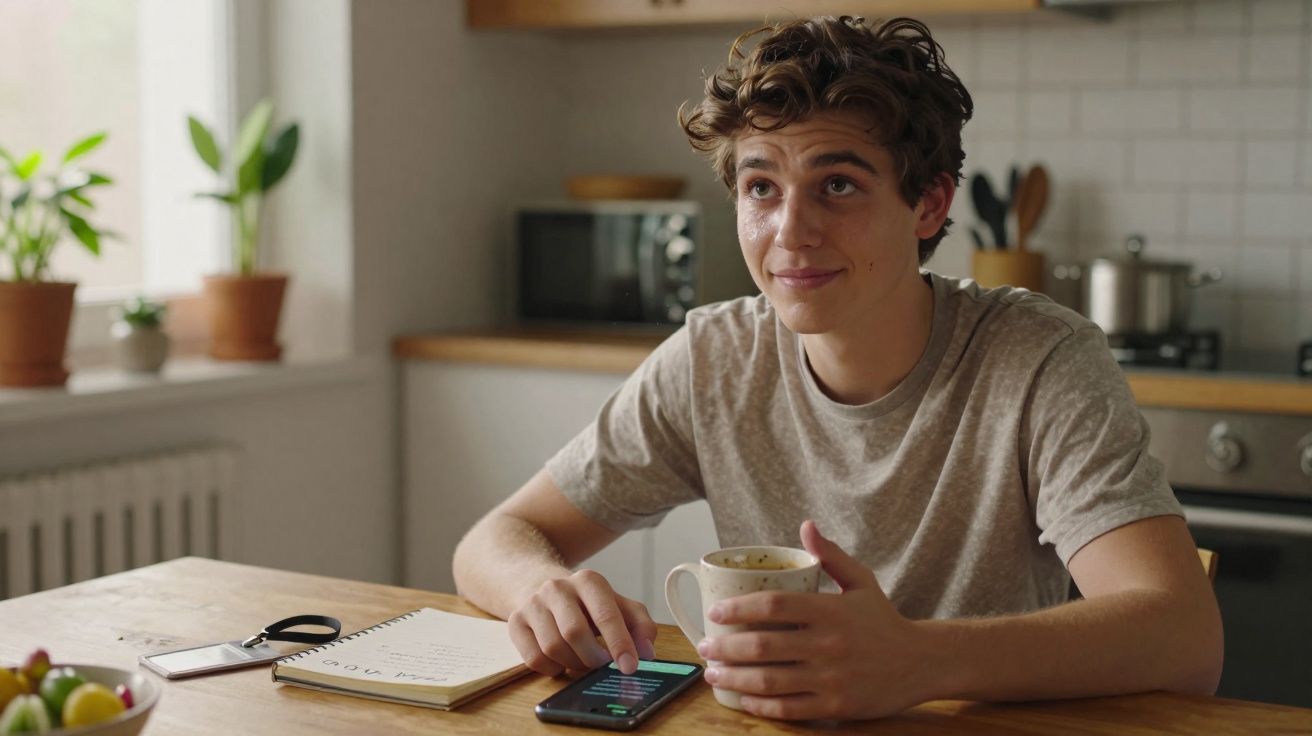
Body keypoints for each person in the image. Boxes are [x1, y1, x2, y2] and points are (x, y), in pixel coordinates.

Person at [453, 15, 1222, 721]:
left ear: (926, 205)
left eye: (838, 185)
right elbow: (496, 540)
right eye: (761, 187)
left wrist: (920, 662)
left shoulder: (1038, 359)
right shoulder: (712, 359)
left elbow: (1185, 636)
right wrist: (539, 589)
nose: (790, 232)